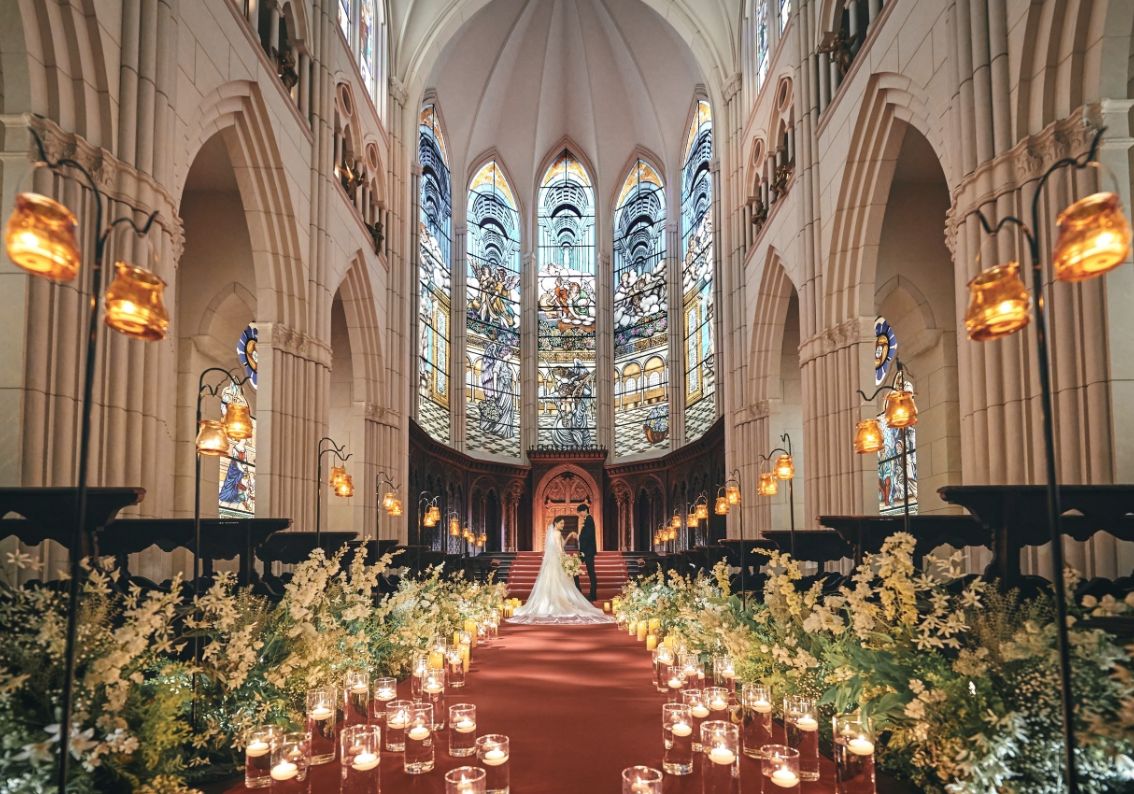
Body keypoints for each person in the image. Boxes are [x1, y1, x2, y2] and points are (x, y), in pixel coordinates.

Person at [508, 516, 612, 625]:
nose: (563, 525)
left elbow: (561, 545)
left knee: (554, 582)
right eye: (561, 523)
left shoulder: (555, 533)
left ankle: (551, 602)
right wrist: (565, 557)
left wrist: (568, 537)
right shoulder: (556, 533)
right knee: (560, 581)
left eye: (563, 523)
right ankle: (559, 602)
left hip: (554, 560)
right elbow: (559, 549)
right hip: (557, 559)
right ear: (556, 523)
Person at [574, 502, 598, 601]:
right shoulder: (588, 519)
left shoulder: (589, 520)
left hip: (587, 551)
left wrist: (578, 536)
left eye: (580, 512)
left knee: (590, 572)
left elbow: (588, 536)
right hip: (585, 551)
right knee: (574, 569)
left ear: (584, 511)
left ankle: (592, 595)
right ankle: (578, 591)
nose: (579, 515)